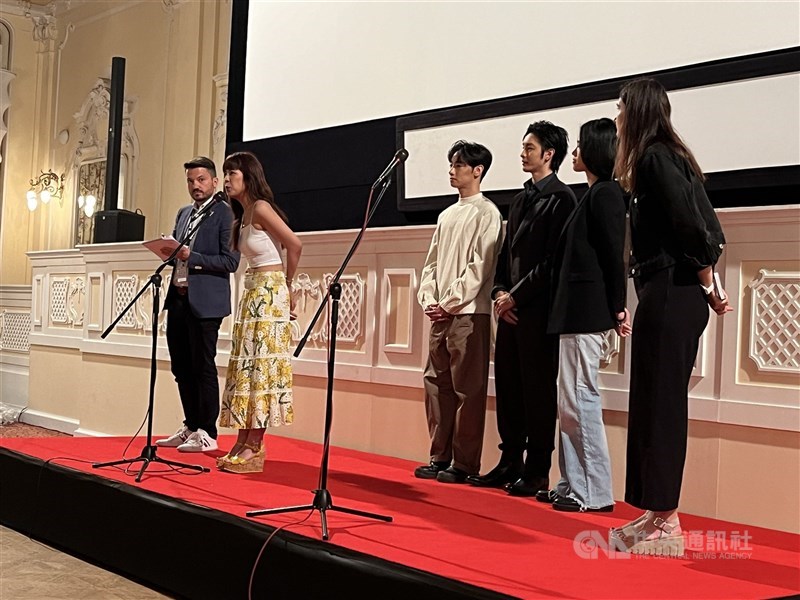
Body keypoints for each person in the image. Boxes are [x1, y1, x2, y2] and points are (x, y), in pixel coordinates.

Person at [610, 78, 732, 555]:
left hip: (671, 293)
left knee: (660, 406)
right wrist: (710, 285)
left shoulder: (657, 158)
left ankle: (666, 521)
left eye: (621, 108)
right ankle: (656, 511)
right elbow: (702, 228)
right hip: (669, 292)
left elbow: (693, 229)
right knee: (653, 402)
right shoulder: (662, 158)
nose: (617, 117)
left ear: (637, 110)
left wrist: (706, 283)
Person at [467, 121, 577, 496]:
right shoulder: (521, 196)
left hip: (537, 311)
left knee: (537, 391)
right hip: (509, 308)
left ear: (549, 154)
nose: (522, 153)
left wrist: (516, 296)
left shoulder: (562, 199)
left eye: (529, 147)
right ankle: (509, 459)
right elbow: (504, 254)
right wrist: (499, 291)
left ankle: (537, 470)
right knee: (510, 389)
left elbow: (553, 261)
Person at [538, 118, 630, 513]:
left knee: (579, 399)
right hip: (576, 312)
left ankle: (592, 492)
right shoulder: (593, 194)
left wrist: (617, 306)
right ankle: (571, 483)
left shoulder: (606, 194)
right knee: (570, 401)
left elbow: (614, 255)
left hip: (588, 312)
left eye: (579, 146)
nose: (574, 153)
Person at [414, 141, 503, 484]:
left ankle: (465, 463)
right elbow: (432, 263)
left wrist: (449, 302)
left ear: (477, 170)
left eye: (459, 165)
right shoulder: (447, 215)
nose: (452, 171)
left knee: (468, 389)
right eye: (451, 165)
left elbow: (480, 267)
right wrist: (429, 298)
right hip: (441, 312)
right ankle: (440, 455)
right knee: (436, 384)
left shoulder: (488, 213)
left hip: (469, 313)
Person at [217, 151, 302, 473]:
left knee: (262, 368)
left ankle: (256, 444)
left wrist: (288, 285)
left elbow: (294, 244)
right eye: (225, 174)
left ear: (248, 176)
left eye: (232, 174)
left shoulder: (262, 208)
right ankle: (242, 439)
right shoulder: (241, 216)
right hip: (253, 292)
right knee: (248, 369)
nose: (226, 180)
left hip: (269, 291)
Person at [157, 156, 241, 452]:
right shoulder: (183, 214)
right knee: (180, 366)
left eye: (201, 179)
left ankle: (207, 431)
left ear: (215, 182)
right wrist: (167, 251)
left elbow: (230, 261)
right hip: (178, 298)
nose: (195, 185)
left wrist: (190, 256)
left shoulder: (225, 214)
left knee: (202, 365)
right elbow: (179, 255)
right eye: (191, 181)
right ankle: (191, 425)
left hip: (206, 303)